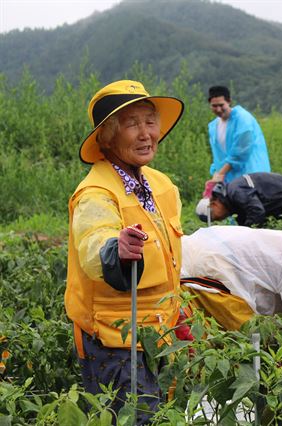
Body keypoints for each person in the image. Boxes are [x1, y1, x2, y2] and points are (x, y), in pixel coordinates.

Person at [65, 80, 184, 422]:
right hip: (114, 342)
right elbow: (94, 241)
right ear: (107, 137)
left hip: (161, 335)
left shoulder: (162, 185)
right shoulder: (95, 192)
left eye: (150, 121)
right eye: (132, 124)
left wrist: (182, 315)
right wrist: (117, 251)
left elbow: (171, 257)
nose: (146, 133)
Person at [206, 85, 271, 185]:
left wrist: (220, 174)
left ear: (229, 101)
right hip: (229, 180)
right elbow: (218, 157)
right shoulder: (213, 126)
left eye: (221, 105)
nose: (218, 109)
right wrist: (215, 174)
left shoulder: (243, 120)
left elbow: (240, 153)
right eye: (214, 106)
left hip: (250, 177)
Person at [196, 172, 282, 227]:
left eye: (216, 217)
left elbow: (256, 212)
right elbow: (245, 223)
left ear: (214, 204)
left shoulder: (235, 191)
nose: (220, 219)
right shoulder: (232, 203)